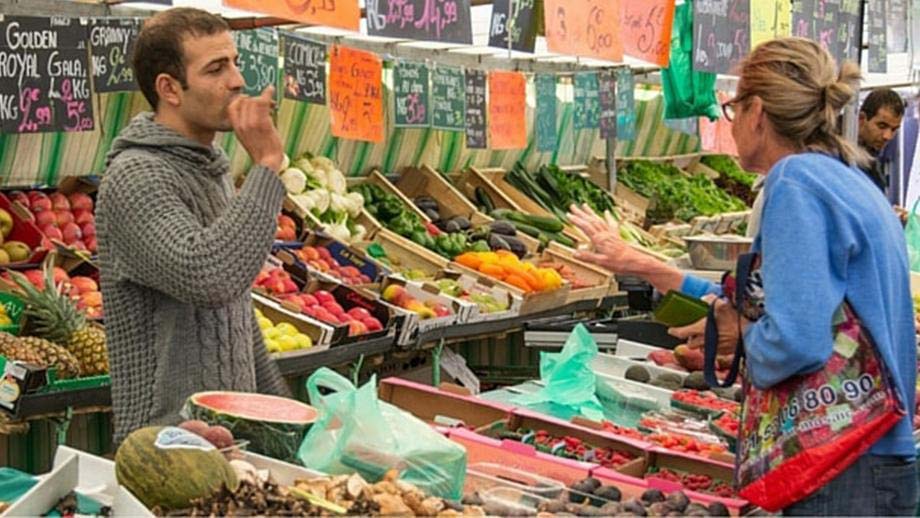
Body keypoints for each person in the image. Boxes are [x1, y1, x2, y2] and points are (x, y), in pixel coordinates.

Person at [571, 38, 917, 515]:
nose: (730, 124)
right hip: (871, 455)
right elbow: (784, 301)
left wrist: (742, 334)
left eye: (732, 109)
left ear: (756, 112)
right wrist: (654, 270)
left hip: (842, 464)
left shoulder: (795, 183)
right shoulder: (846, 178)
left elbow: (795, 342)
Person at [96, 7, 290, 444]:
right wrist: (266, 164)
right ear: (170, 89)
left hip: (229, 435)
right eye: (216, 69)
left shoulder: (211, 167)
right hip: (166, 440)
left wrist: (281, 419)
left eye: (235, 63)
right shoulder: (136, 175)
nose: (237, 80)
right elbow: (209, 276)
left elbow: (234, 311)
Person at [858, 88, 905, 192]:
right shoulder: (833, 152)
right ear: (861, 119)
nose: (888, 136)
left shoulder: (873, 161)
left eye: (894, 129)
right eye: (882, 126)